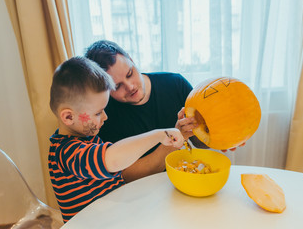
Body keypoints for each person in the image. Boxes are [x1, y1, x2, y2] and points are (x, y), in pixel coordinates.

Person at [48, 56, 184, 223]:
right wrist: (158, 135)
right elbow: (113, 160)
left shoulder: (88, 139)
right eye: (98, 113)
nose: (105, 117)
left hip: (114, 217)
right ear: (68, 117)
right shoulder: (67, 152)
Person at [84, 40, 207, 183]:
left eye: (130, 74)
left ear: (131, 59)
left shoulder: (175, 83)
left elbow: (200, 143)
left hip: (184, 183)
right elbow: (127, 177)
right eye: (117, 86)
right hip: (138, 196)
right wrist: (176, 137)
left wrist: (218, 137)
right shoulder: (104, 115)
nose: (130, 87)